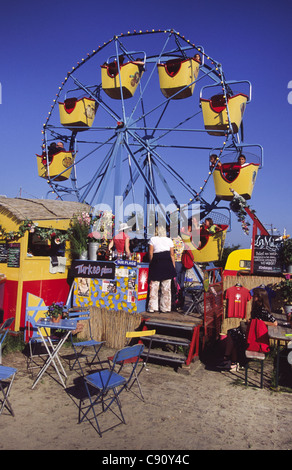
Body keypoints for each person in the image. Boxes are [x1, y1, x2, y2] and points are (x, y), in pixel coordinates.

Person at [217, 289, 277, 370]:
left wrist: (258, 322)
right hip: (251, 331)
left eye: (255, 295)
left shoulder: (263, 310)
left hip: (254, 335)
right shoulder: (257, 307)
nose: (253, 297)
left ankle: (228, 359)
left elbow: (274, 323)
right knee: (232, 333)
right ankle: (231, 361)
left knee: (233, 334)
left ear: (259, 297)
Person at [148, 226, 176, 313]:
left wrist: (151, 262)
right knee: (166, 288)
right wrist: (173, 266)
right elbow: (172, 254)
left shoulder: (152, 239)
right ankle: (166, 308)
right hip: (167, 263)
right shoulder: (169, 240)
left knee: (154, 286)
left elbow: (150, 253)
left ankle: (152, 307)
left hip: (157, 262)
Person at [172, 234, 185, 312]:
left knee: (175, 284)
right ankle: (181, 302)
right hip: (183, 263)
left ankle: (175, 302)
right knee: (181, 284)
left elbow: (171, 253)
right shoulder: (182, 240)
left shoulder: (172, 241)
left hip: (176, 263)